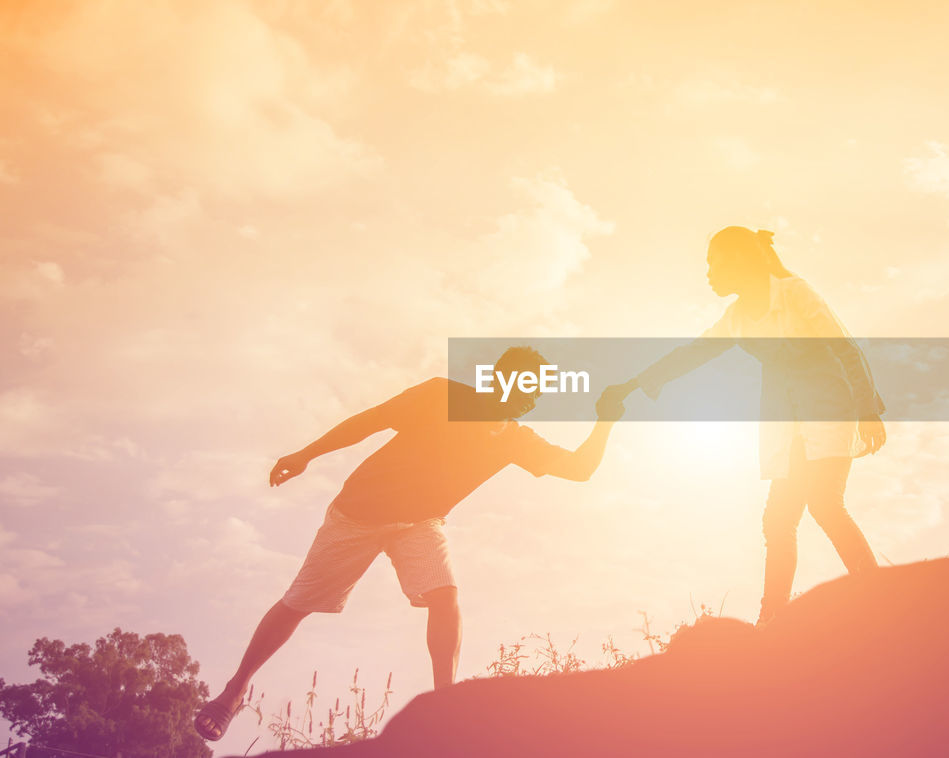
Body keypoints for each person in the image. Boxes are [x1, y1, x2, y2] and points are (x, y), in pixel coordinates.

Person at [194, 347, 623, 741]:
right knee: (298, 603)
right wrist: (307, 453)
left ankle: (445, 702)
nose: (528, 399)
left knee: (445, 594)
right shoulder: (440, 396)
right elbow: (370, 420)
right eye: (522, 385)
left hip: (420, 522)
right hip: (357, 513)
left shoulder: (516, 438)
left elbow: (579, 468)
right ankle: (234, 690)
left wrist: (605, 420)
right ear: (497, 378)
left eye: (536, 393)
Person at [607, 226, 886, 626]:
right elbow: (694, 352)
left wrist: (867, 410)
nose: (707, 273)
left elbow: (845, 347)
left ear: (738, 261)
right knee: (778, 520)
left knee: (825, 503)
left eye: (712, 263)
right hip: (786, 419)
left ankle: (877, 591)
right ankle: (771, 618)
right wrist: (636, 382)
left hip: (830, 405)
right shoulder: (737, 317)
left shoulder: (795, 293)